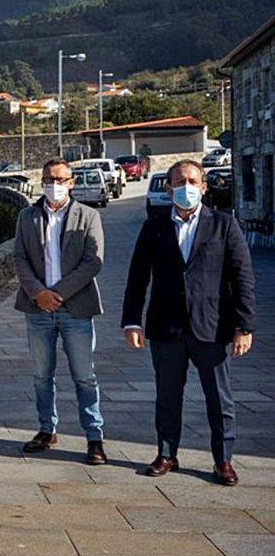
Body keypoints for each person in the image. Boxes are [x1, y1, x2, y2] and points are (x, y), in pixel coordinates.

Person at [122, 159, 257, 486]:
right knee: (168, 396)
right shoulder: (153, 227)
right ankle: (167, 453)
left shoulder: (224, 225)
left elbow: (243, 277)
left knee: (219, 399)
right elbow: (138, 277)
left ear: (204, 187)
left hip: (211, 327)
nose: (186, 187)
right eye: (179, 182)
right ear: (169, 189)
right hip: (166, 327)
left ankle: (223, 460)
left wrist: (245, 325)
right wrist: (131, 321)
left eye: (192, 181)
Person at [12, 160, 107, 465]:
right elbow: (19, 258)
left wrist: (59, 293)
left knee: (84, 376)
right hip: (37, 308)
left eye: (61, 179)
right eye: (49, 179)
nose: (54, 184)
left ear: (72, 182)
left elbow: (93, 261)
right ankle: (46, 429)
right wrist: (38, 293)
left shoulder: (88, 216)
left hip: (75, 308)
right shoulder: (27, 216)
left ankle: (94, 436)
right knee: (42, 375)